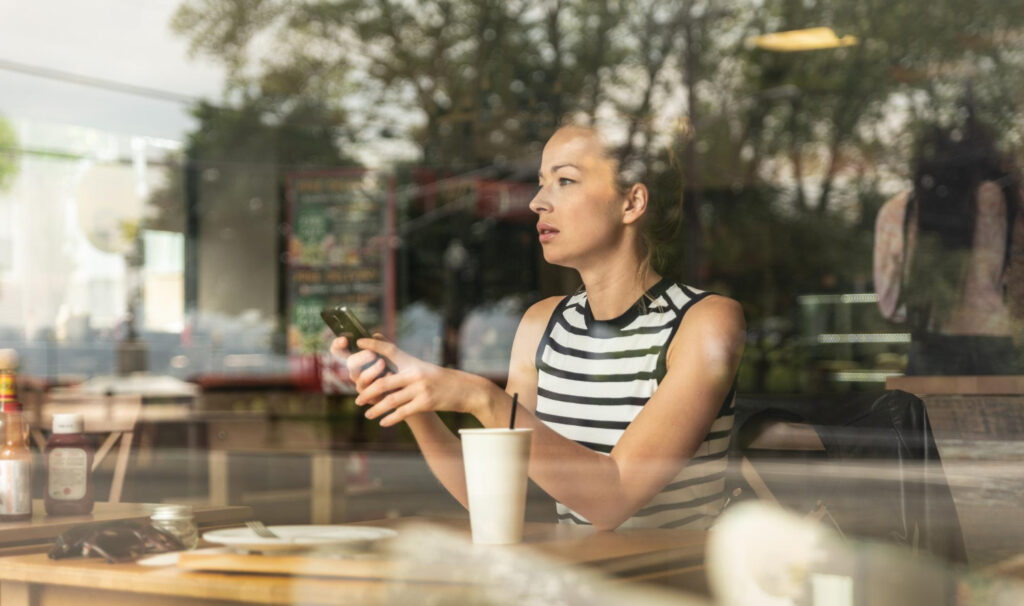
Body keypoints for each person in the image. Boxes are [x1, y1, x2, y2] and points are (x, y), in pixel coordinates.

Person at [332, 123, 745, 530]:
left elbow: (614, 497)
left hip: (670, 588)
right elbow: (499, 499)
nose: (536, 202)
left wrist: (481, 398)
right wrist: (409, 397)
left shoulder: (705, 321)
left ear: (631, 203)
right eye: (541, 182)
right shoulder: (543, 323)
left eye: (565, 180)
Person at [874, 110, 1023, 374]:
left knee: (928, 415)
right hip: (1001, 340)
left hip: (932, 343)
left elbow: (890, 304)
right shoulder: (1005, 199)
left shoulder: (898, 210)